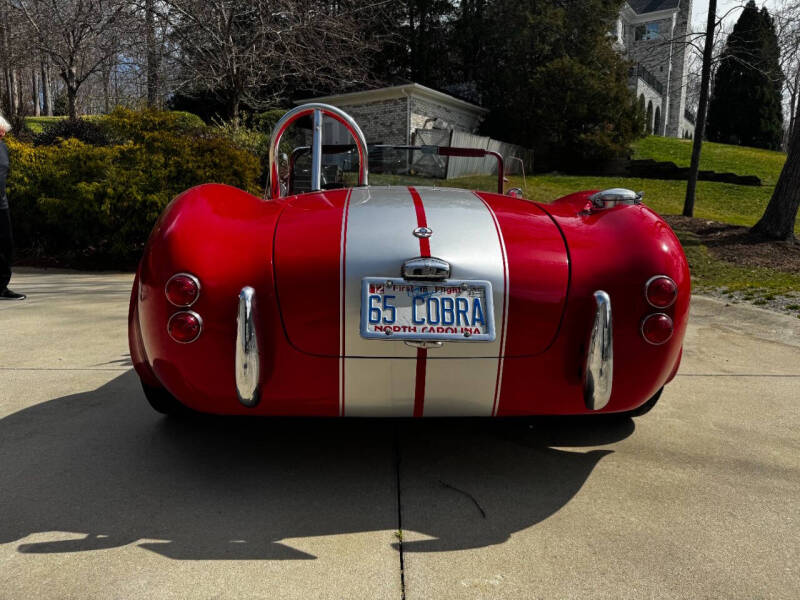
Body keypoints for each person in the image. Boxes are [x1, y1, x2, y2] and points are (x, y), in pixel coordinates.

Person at [0, 114, 24, 300]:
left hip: (2, 204)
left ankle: (1, 287)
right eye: (2, 131)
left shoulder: (3, 148)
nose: (4, 134)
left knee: (6, 246)